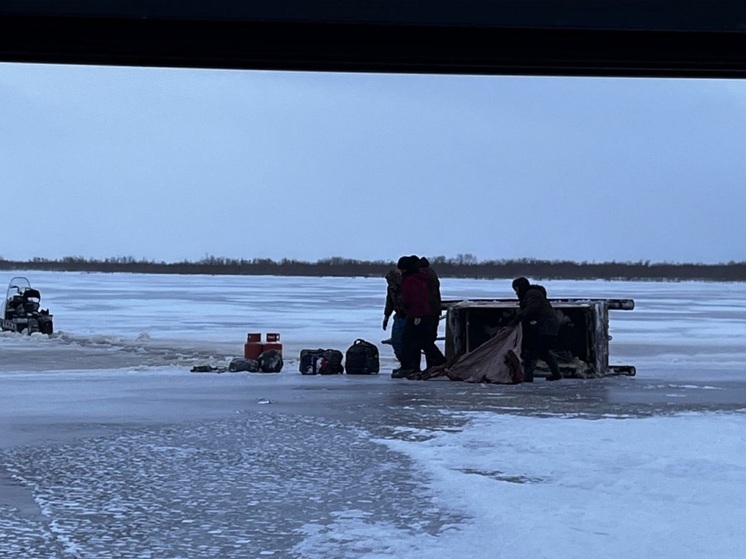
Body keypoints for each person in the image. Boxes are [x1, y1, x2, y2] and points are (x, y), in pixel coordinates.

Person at [509, 276, 562, 382]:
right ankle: (556, 374)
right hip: (547, 325)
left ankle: (528, 377)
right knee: (543, 351)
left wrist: (518, 318)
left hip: (544, 326)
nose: (516, 293)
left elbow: (532, 309)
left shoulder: (532, 294)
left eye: (516, 289)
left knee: (533, 351)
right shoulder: (533, 294)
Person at [392, 255, 433, 378]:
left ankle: (408, 367)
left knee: (408, 340)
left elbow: (413, 298)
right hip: (419, 314)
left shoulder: (410, 280)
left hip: (415, 314)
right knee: (417, 341)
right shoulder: (418, 278)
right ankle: (412, 367)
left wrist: (408, 308)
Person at [417, 256, 447, 369]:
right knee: (428, 339)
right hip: (433, 310)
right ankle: (433, 364)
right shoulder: (431, 274)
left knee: (425, 340)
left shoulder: (423, 275)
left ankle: (440, 361)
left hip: (428, 311)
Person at [382, 268, 405, 367]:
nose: (389, 283)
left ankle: (408, 364)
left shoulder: (406, 287)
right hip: (398, 316)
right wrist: (386, 316)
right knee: (396, 340)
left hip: (409, 316)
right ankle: (402, 361)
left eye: (391, 281)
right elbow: (389, 302)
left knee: (408, 341)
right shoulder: (390, 288)